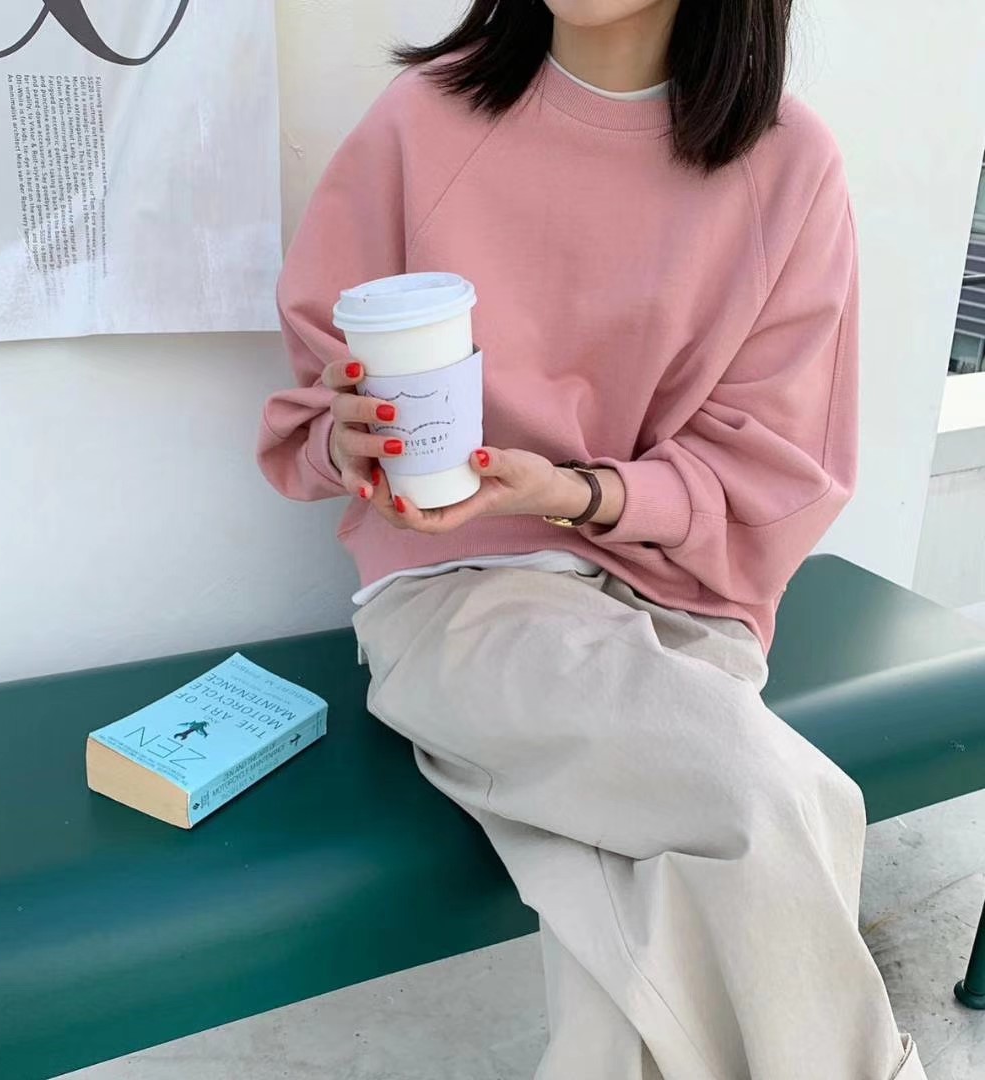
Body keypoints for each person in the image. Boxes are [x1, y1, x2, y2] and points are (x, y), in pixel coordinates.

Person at [257, 1, 926, 1077]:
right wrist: (351, 436)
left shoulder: (789, 164)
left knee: (628, 1003)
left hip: (686, 603)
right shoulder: (422, 122)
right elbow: (316, 413)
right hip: (462, 596)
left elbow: (776, 469)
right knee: (768, 800)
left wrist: (580, 493)